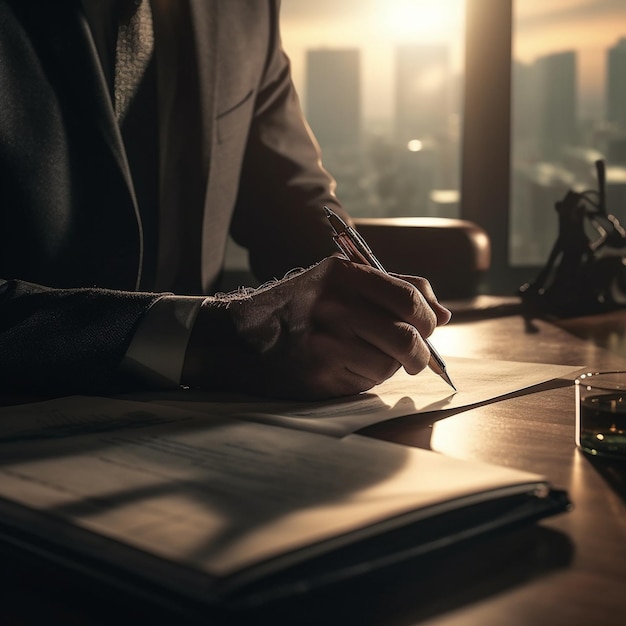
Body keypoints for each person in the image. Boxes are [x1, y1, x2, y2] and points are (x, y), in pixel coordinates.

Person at [0, 0, 451, 400]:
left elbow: (293, 199)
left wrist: (357, 302)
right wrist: (203, 336)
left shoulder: (247, 8)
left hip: (203, 424)